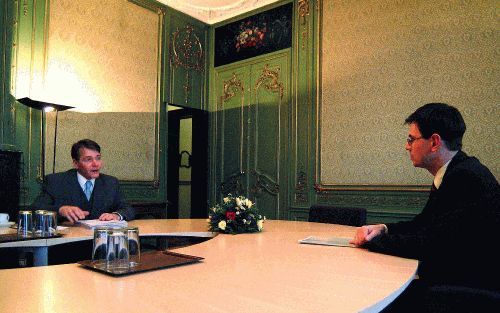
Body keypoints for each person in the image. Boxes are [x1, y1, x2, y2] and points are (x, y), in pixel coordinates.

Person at [350, 103, 499, 311]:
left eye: (411, 139)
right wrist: (384, 228)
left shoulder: (466, 177)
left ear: (435, 142)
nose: (407, 146)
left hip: (465, 292)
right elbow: (424, 223)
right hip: (457, 280)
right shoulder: (455, 170)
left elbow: (431, 244)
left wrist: (374, 242)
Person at [31, 139, 135, 223]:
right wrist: (60, 210)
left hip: (101, 242)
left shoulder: (110, 183)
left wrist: (116, 215)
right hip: (68, 244)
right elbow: (36, 209)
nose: (95, 164)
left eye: (98, 158)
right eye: (88, 159)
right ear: (76, 163)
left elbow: (127, 208)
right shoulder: (56, 181)